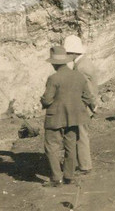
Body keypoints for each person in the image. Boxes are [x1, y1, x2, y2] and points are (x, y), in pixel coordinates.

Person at [40, 46, 96, 187]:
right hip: (74, 118)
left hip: (55, 118)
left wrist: (42, 100)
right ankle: (69, 176)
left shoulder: (53, 78)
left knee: (52, 147)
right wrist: (90, 107)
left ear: (54, 63)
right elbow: (87, 96)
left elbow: (47, 100)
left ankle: (56, 179)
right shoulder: (78, 76)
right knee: (70, 146)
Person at [64, 35, 95, 174]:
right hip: (85, 106)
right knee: (81, 135)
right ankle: (84, 164)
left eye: (67, 53)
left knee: (81, 135)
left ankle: (85, 166)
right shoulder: (83, 64)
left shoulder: (81, 67)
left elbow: (86, 91)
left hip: (83, 107)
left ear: (73, 52)